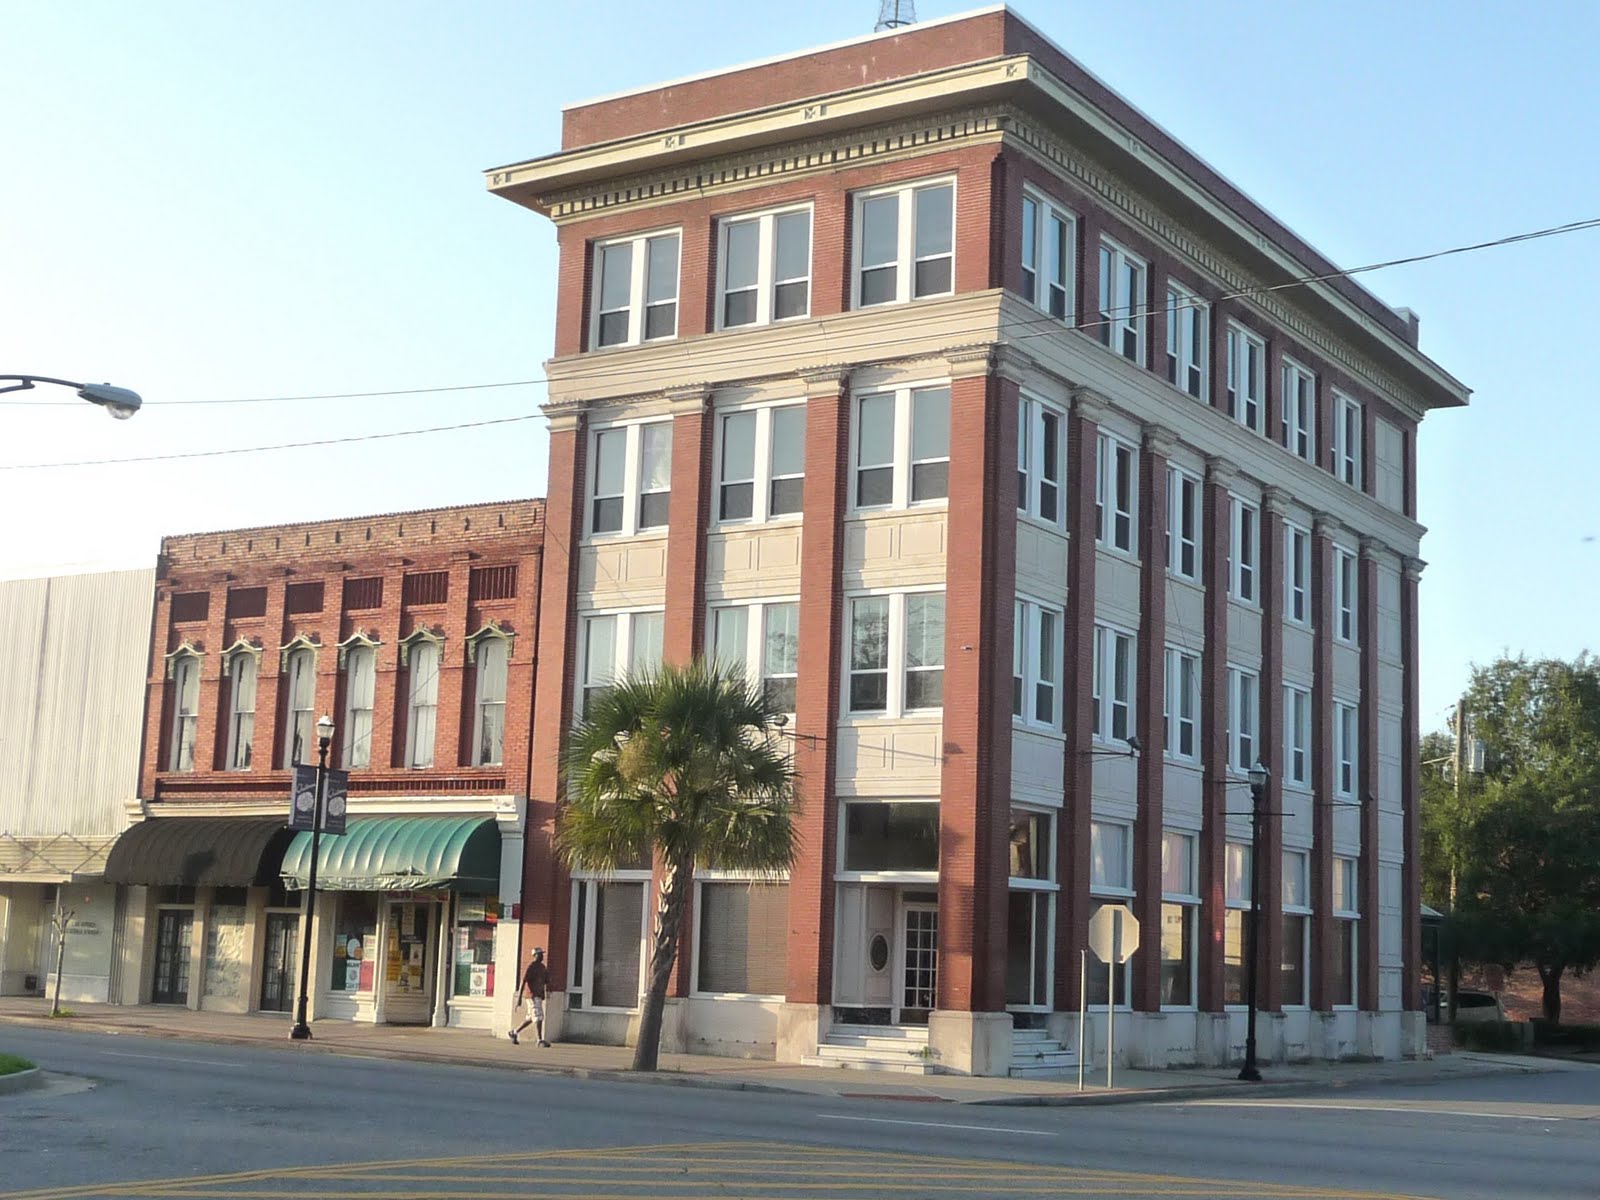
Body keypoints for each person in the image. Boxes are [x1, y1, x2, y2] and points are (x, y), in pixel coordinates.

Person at [509, 947, 550, 1047]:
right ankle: (540, 1040)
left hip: (539, 995)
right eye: (540, 954)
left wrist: (545, 993)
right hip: (532, 995)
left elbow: (545, 981)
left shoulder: (542, 967)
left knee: (531, 1018)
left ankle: (515, 1032)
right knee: (538, 1016)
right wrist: (519, 997)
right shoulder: (531, 967)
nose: (542, 956)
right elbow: (524, 981)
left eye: (542, 954)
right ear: (535, 955)